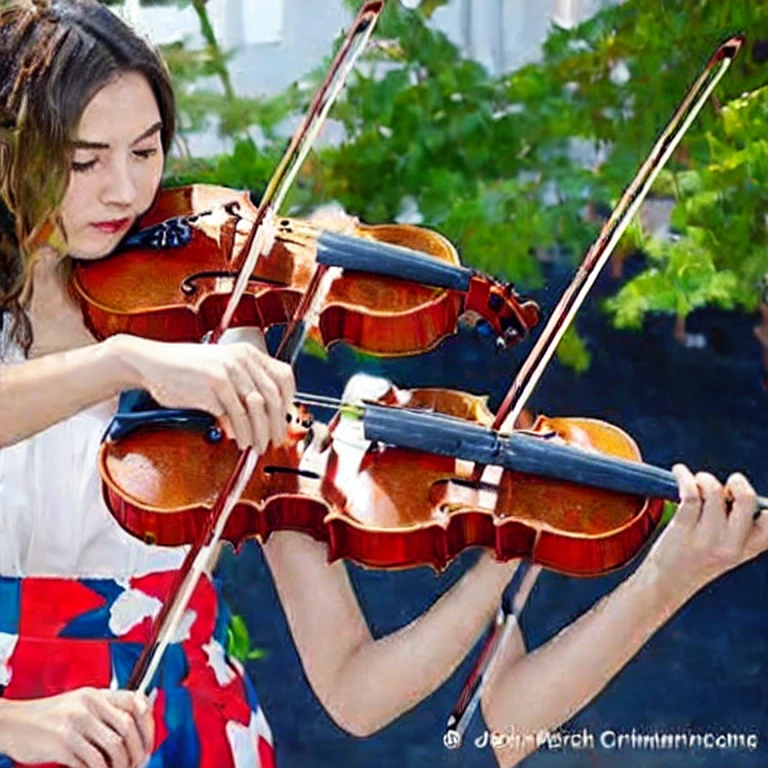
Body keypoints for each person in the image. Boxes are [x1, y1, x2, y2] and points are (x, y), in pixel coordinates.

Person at [0, 1, 764, 767]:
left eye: (146, 149)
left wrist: (532, 548)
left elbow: (361, 693)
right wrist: (126, 361)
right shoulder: (150, 353)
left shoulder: (221, 324)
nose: (126, 191)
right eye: (83, 160)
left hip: (180, 736)